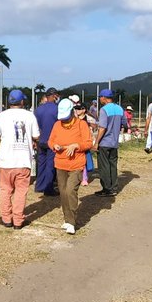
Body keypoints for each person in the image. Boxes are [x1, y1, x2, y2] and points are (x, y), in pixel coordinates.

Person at [0, 90, 40, 229]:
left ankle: (6, 218)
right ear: (22, 102)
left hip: (6, 160)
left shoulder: (2, 115)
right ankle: (18, 220)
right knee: (21, 191)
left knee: (5, 190)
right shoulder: (29, 116)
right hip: (23, 159)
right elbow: (36, 136)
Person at [49, 98, 92, 235]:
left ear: (72, 113)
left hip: (76, 164)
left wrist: (76, 146)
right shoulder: (57, 125)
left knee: (70, 191)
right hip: (60, 163)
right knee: (63, 192)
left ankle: (72, 221)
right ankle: (67, 219)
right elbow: (51, 140)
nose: (64, 120)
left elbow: (88, 143)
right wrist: (54, 145)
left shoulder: (81, 125)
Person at [93, 89, 126, 194]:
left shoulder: (104, 110)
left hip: (104, 142)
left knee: (104, 166)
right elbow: (125, 124)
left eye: (100, 97)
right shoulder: (120, 109)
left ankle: (107, 188)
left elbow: (102, 128)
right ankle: (114, 187)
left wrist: (96, 142)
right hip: (114, 142)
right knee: (113, 165)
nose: (99, 99)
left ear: (103, 97)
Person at [33, 88, 60, 196]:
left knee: (41, 164)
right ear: (54, 96)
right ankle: (48, 188)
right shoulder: (57, 109)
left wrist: (35, 140)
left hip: (40, 140)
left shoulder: (38, 109)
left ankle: (39, 186)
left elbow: (35, 126)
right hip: (52, 141)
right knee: (50, 165)